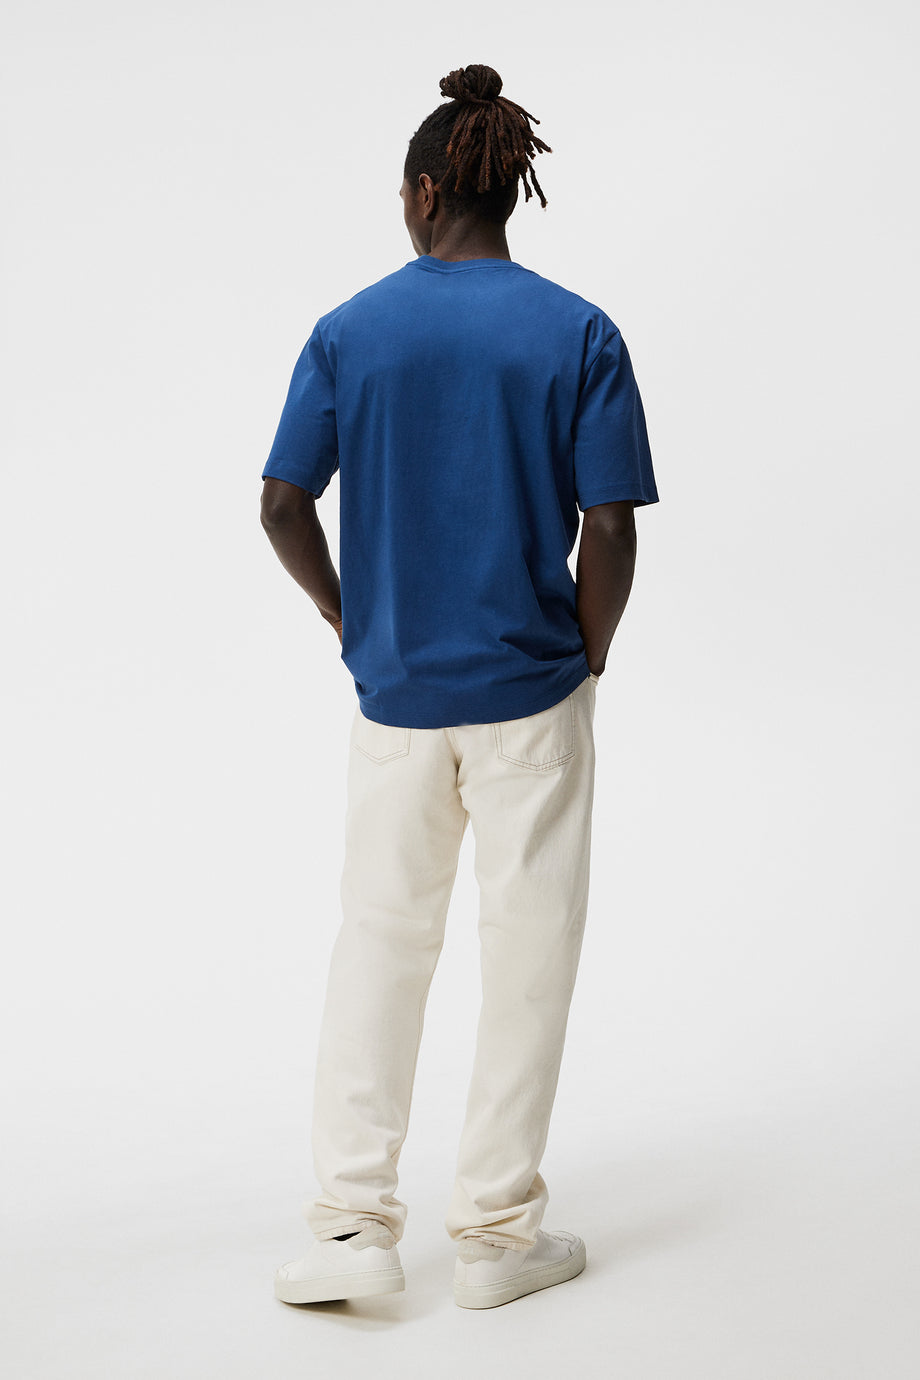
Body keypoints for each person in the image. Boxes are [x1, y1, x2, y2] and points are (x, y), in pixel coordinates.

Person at [260, 63, 659, 1310]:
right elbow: (612, 524)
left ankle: (349, 1228)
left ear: (427, 193)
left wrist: (346, 618)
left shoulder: (350, 330)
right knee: (528, 955)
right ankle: (494, 1236)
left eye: (401, 193)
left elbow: (279, 504)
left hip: (394, 701)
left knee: (378, 945)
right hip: (531, 695)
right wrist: (587, 653)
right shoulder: (578, 331)